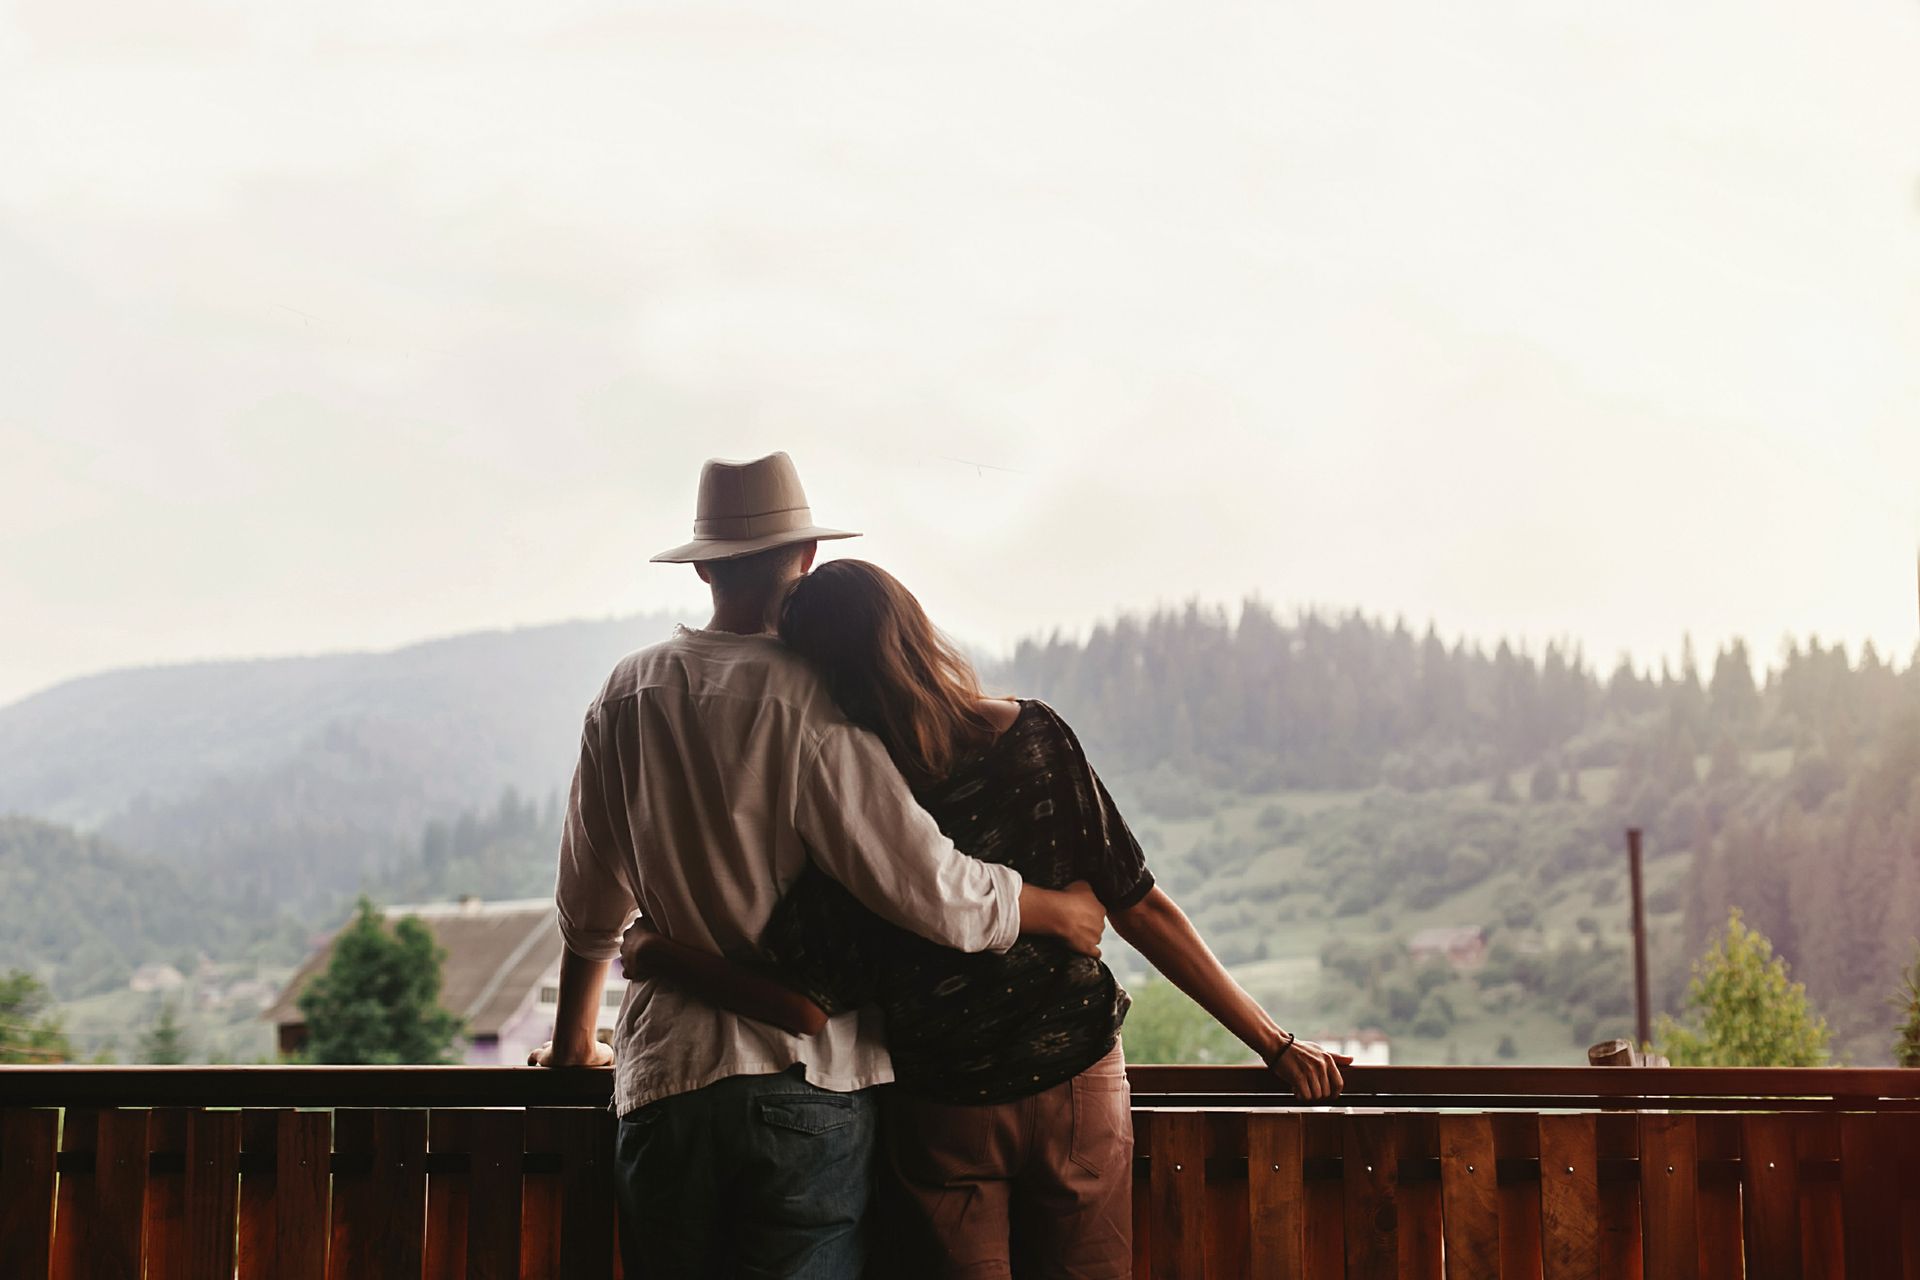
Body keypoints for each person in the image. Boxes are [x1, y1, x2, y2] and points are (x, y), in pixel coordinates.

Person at [624, 558, 1350, 1278]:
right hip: (1076, 1080)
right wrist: (1274, 1044)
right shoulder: (1033, 740)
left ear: (816, 673)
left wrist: (656, 952)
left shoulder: (857, 804)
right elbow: (1140, 906)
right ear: (911, 629)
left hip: (946, 1109)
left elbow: (801, 1001)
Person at [526, 453, 1108, 1280]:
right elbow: (933, 892)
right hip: (809, 1079)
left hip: (664, 1081)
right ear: (802, 561)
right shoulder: (816, 699)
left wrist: (575, 1046)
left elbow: (588, 910)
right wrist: (1053, 909)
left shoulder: (624, 694)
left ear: (701, 566)